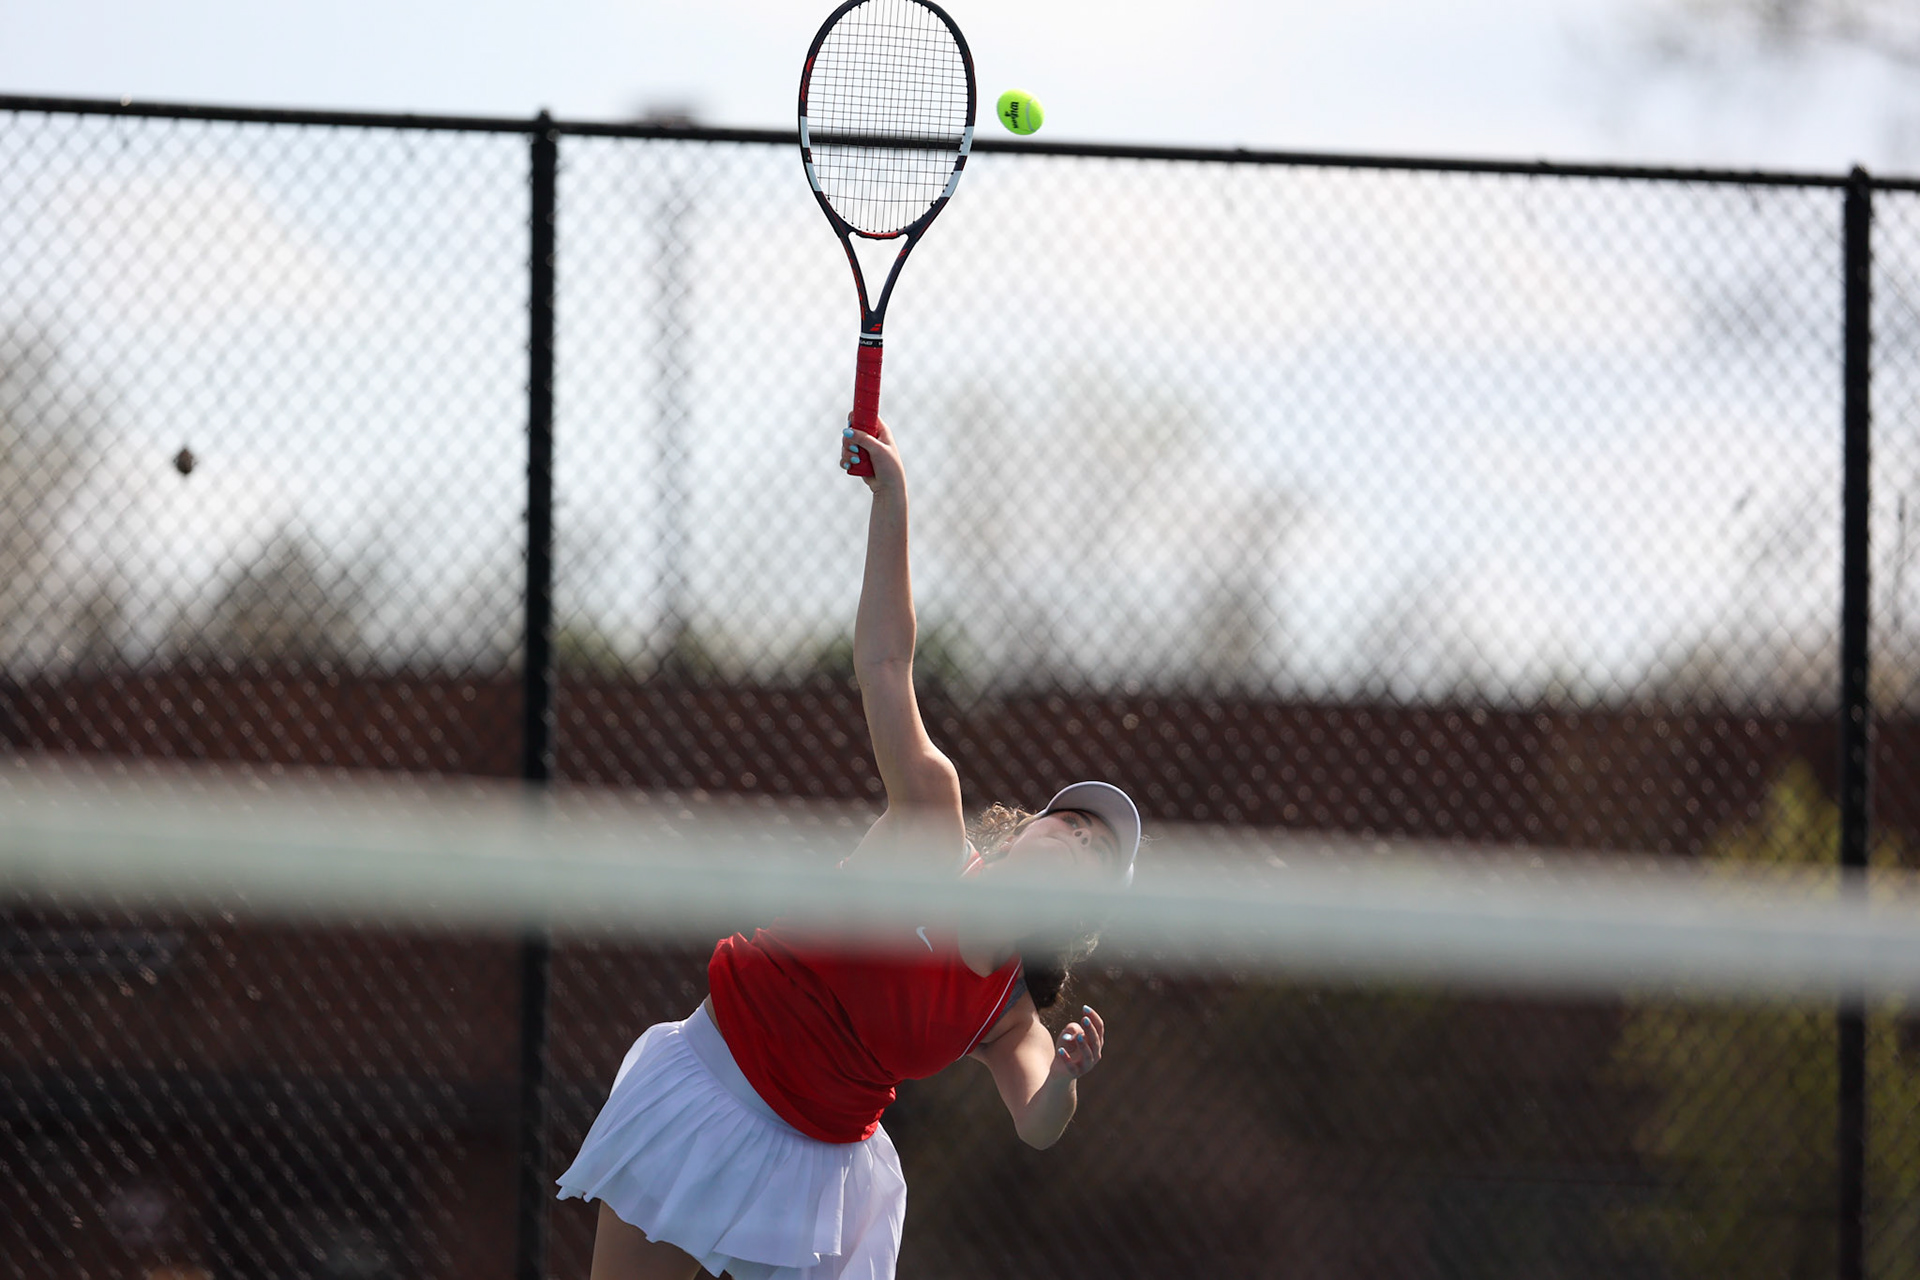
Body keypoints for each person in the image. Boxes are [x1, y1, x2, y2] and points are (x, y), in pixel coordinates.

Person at [556, 417, 1144, 1280]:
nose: (1078, 843)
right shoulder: (930, 823)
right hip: (713, 1089)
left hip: (819, 1177)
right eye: (1074, 823)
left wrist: (1064, 1077)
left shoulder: (1006, 1014)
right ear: (1025, 829)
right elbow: (884, 665)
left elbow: (1038, 1121)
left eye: (1098, 858)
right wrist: (892, 493)